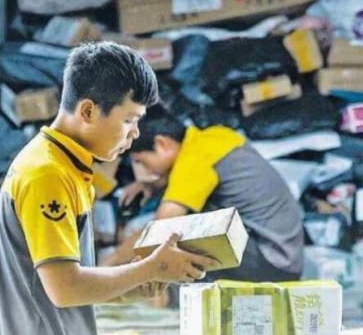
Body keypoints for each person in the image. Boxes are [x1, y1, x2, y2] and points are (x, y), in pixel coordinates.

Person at [0, 42, 217, 335]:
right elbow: (65, 288)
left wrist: (133, 283)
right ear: (88, 111)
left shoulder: (67, 166)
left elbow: (62, 284)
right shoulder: (47, 175)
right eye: (129, 120)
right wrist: (151, 267)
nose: (135, 134)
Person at [114, 106, 304, 285]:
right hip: (286, 255)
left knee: (176, 234)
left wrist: (108, 267)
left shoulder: (194, 159)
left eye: (142, 161)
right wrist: (150, 186)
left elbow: (160, 228)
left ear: (162, 144)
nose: (146, 170)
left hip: (271, 264)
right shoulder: (214, 137)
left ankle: (165, 299)